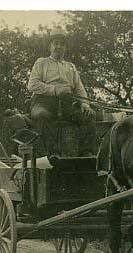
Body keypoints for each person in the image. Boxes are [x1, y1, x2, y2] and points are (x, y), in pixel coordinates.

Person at [27, 28, 96, 157]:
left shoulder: (71, 67)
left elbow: (79, 88)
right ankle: (53, 154)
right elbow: (32, 85)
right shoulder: (41, 62)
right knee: (41, 115)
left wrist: (85, 104)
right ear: (50, 46)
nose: (59, 46)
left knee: (89, 116)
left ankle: (86, 153)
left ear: (65, 48)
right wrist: (54, 90)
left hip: (66, 105)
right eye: (56, 43)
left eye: (62, 44)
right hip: (43, 102)